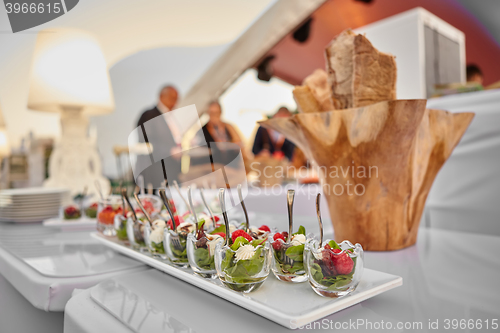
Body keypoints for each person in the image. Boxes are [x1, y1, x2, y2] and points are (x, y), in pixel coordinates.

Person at [134, 85, 181, 185]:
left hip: (170, 172)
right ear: (161, 96)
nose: (175, 103)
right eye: (172, 98)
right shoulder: (149, 115)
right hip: (154, 173)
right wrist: (170, 150)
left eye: (176, 99)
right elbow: (146, 143)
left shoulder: (171, 117)